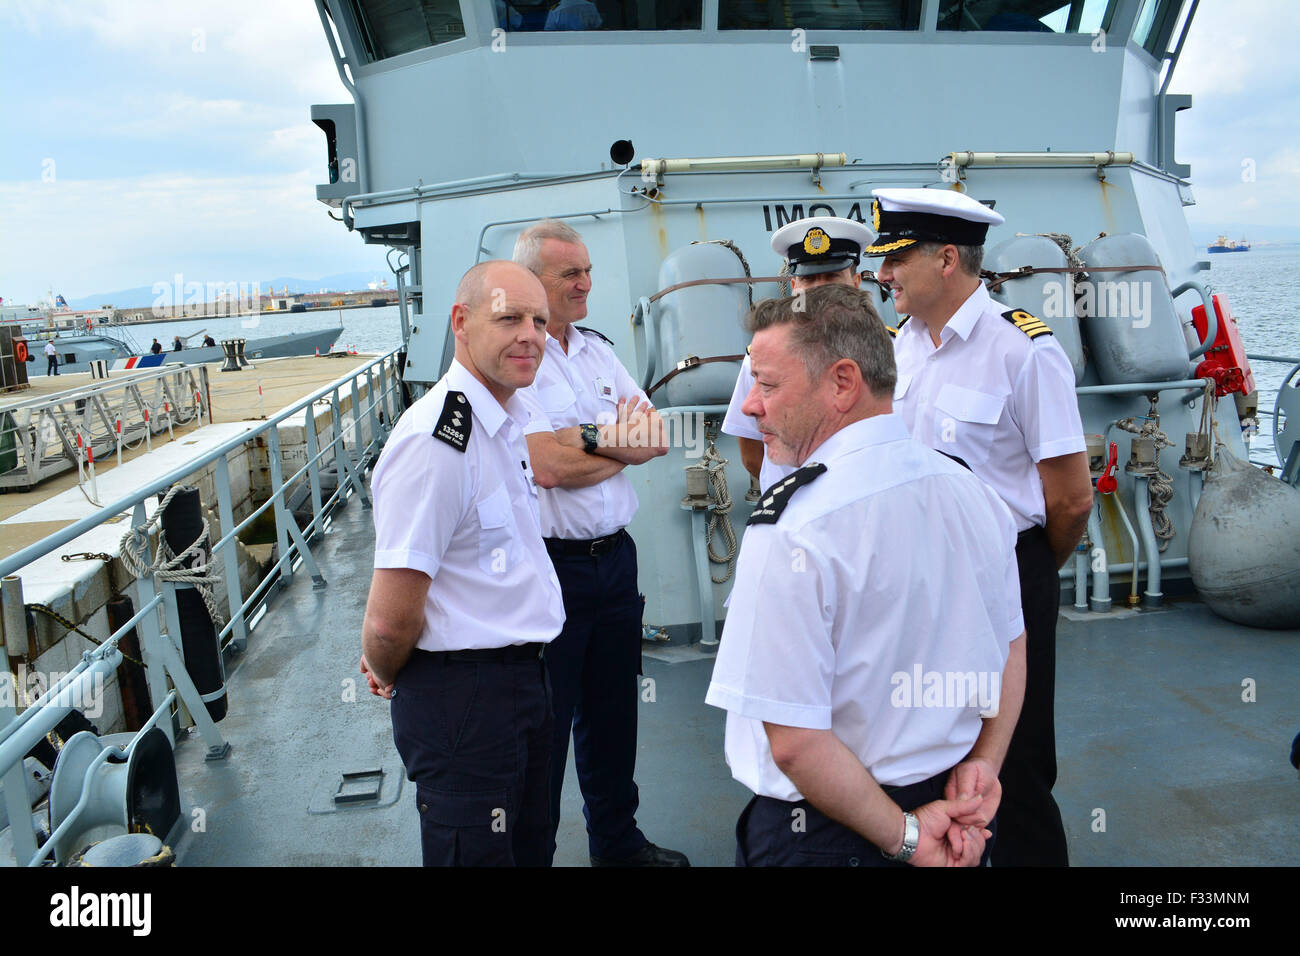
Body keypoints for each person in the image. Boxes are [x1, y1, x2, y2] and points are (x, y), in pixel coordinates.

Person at [706, 284, 1027, 867]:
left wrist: (905, 838)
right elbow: (1011, 642)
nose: (751, 406)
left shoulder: (792, 527)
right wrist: (984, 763)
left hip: (833, 834)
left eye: (768, 384)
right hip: (958, 814)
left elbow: (797, 744)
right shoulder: (973, 491)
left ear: (843, 382)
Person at [866, 187, 1093, 866]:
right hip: (913, 579)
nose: (881, 275)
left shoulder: (1021, 351)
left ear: (944, 259)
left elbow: (1072, 500)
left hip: (1006, 574)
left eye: (894, 260)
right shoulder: (896, 350)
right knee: (925, 748)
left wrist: (1018, 574)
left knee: (1014, 764)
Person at [359, 260, 565, 867]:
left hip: (524, 684)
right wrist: (382, 662)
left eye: (539, 320)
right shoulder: (437, 441)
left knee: (531, 850)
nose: (531, 334)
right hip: (465, 701)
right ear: (461, 322)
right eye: (509, 318)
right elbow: (391, 621)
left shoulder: (503, 424)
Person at [513, 219, 688, 867]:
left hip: (616, 561)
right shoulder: (519, 362)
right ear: (533, 281)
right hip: (551, 568)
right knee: (546, 730)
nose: (587, 282)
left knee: (615, 719)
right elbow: (546, 469)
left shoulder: (596, 351)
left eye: (587, 270)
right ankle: (533, 855)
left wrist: (581, 439)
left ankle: (618, 845)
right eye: (571, 274)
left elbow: (657, 437)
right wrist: (616, 439)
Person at [721, 216, 871, 491]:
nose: (819, 289)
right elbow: (752, 454)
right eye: (808, 278)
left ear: (856, 282)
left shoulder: (889, 351)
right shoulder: (760, 357)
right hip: (793, 511)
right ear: (794, 287)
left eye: (832, 276)